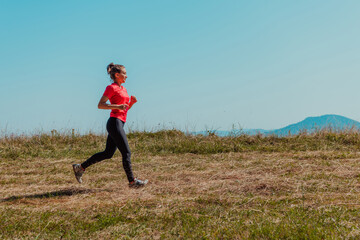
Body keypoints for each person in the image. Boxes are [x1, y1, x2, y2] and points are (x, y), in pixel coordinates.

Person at [72, 63, 147, 188]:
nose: (127, 76)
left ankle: (80, 167)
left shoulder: (123, 89)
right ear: (117, 75)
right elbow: (100, 104)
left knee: (108, 153)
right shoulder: (111, 88)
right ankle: (132, 182)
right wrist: (117, 106)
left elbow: (124, 109)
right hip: (114, 123)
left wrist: (131, 103)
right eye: (125, 74)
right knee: (126, 153)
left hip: (120, 123)